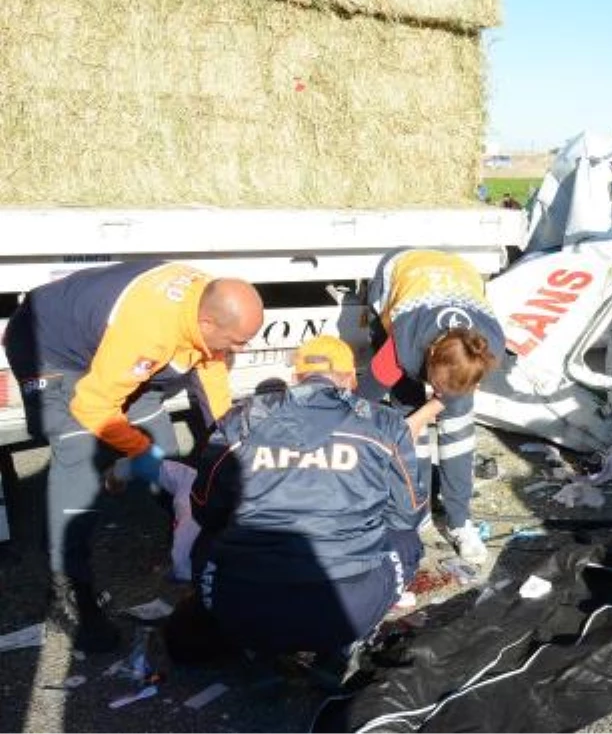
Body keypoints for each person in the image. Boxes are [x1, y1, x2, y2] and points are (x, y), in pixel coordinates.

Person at [1, 262, 263, 652]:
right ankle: (70, 592)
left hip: (110, 348)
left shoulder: (206, 311)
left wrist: (229, 448)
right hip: (50, 345)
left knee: (170, 465)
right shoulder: (150, 330)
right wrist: (138, 452)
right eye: (238, 341)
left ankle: (196, 558)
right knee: (80, 452)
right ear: (207, 323)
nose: (244, 348)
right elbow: (92, 405)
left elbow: (212, 382)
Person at [176, 336, 426, 667]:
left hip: (243, 603)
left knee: (209, 538)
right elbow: (408, 514)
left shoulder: (239, 421)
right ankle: (338, 648)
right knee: (407, 539)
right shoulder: (384, 424)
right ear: (350, 379)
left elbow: (205, 507)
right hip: (348, 607)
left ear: (295, 378)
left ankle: (258, 652)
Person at [360, 249, 503, 565]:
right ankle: (417, 509)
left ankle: (459, 521)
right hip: (402, 268)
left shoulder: (486, 348)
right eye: (436, 385)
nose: (439, 393)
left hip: (458, 271)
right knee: (407, 415)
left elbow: (452, 393)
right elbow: (362, 400)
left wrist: (432, 408)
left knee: (459, 432)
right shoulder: (403, 346)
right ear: (430, 356)